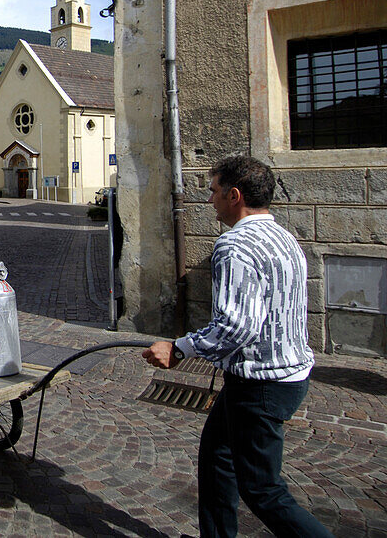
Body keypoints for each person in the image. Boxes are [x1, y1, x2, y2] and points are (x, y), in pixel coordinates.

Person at [143, 155, 331, 538]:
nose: (209, 200)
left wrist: (178, 349)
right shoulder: (284, 237)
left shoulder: (234, 246)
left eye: (213, 192)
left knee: (263, 490)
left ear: (234, 195)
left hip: (262, 385)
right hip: (273, 377)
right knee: (217, 461)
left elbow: (235, 327)